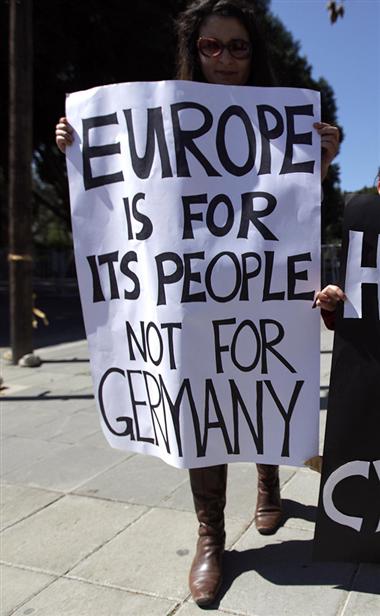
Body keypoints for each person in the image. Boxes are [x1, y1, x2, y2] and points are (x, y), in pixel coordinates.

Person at [55, 0, 340, 606]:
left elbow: (296, 206)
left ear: (253, 53)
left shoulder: (279, 117)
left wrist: (322, 156)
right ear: (195, 51)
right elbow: (128, 195)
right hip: (187, 290)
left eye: (238, 46)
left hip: (257, 281)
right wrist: (79, 147)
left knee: (259, 371)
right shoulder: (161, 117)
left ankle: (267, 483)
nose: (226, 58)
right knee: (200, 390)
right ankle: (211, 534)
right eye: (213, 46)